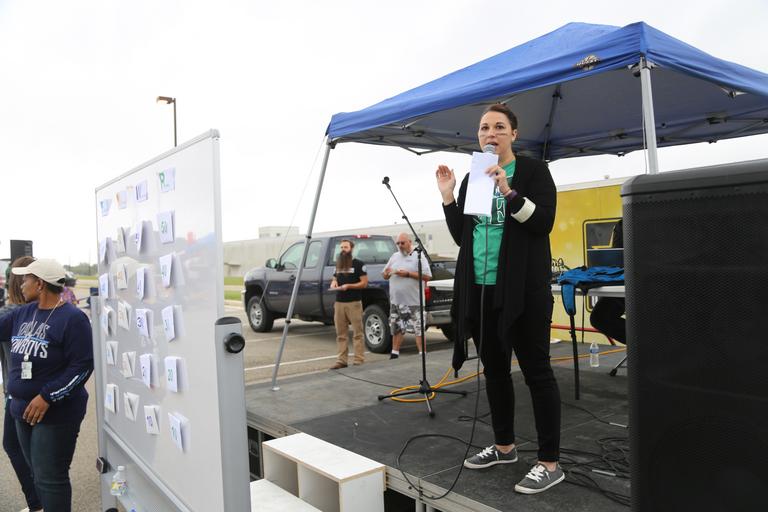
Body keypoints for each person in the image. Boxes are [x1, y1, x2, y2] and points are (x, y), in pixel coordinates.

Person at [436, 103, 564, 494]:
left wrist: (508, 190)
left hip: (523, 291)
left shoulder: (533, 172)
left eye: (498, 127)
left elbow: (543, 222)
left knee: (537, 373)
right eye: (483, 128)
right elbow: (463, 236)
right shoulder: (474, 176)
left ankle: (549, 462)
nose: (490, 134)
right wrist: (448, 198)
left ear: (513, 134)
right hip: (481, 289)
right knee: (494, 371)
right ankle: (504, 447)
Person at [0, 258, 94, 512]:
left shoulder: (72, 318)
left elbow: (82, 366)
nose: (21, 285)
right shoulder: (23, 313)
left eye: (26, 280)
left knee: (50, 478)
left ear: (40, 284)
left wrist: (47, 397)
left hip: (54, 413)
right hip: (21, 410)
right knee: (37, 474)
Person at [0, 256, 43, 512]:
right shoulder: (41, 311)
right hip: (36, 392)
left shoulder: (12, 313)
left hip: (19, 394)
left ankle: (38, 503)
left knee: (15, 445)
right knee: (33, 450)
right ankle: (41, 501)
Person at [382, 233, 431, 359]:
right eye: (398, 243)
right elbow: (385, 274)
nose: (400, 245)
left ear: (409, 242)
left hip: (414, 301)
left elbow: (427, 276)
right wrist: (386, 274)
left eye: (402, 243)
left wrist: (408, 274)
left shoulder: (418, 256)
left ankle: (422, 355)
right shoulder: (394, 256)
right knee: (397, 328)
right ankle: (395, 353)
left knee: (418, 330)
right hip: (397, 302)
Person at [329, 240, 368, 369]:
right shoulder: (338, 264)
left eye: (345, 247)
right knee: (341, 334)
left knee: (357, 333)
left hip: (354, 303)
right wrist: (333, 282)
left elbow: (364, 283)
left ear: (352, 248)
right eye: (341, 247)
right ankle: (341, 361)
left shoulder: (359, 264)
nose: (343, 250)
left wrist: (349, 286)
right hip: (339, 303)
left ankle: (358, 360)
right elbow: (335, 277)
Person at [590, 219, 626, 344]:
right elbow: (617, 258)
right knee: (600, 317)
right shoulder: (623, 224)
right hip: (626, 281)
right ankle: (644, 344)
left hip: (656, 282)